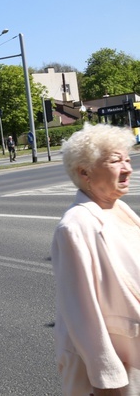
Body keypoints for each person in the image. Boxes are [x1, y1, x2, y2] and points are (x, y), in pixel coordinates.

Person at [51, 123, 139, 395]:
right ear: (84, 172)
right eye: (115, 161)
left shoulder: (119, 208)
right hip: (114, 363)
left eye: (128, 159)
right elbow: (81, 311)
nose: (128, 168)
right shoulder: (75, 226)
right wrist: (107, 378)